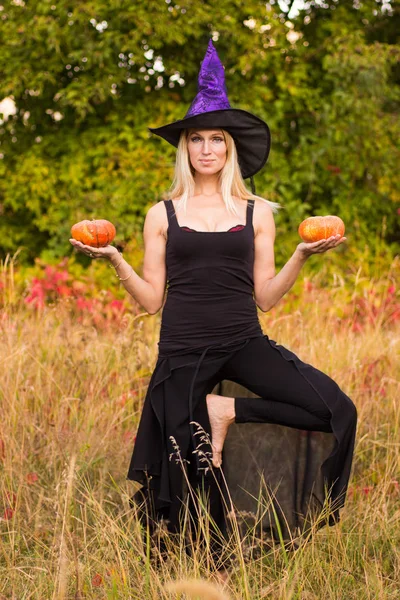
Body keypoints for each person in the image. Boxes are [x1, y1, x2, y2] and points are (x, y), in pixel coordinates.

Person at [70, 41, 357, 569]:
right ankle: (199, 576)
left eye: (216, 140)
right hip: (181, 353)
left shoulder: (256, 213)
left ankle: (229, 411)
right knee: (188, 476)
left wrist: (301, 254)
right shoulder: (162, 214)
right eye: (196, 138)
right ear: (185, 148)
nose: (206, 148)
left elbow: (266, 298)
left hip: (244, 342)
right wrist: (114, 258)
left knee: (334, 408)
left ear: (230, 150)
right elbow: (152, 300)